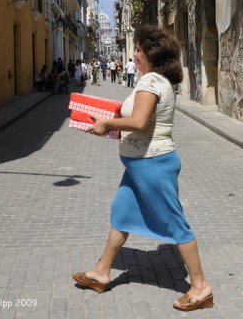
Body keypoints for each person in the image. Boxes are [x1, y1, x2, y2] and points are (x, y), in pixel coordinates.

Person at [72, 25, 213, 312]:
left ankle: (201, 287)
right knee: (121, 215)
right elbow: (140, 120)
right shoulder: (157, 80)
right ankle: (101, 272)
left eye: (138, 49)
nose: (134, 54)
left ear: (151, 53)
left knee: (175, 223)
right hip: (140, 165)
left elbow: (138, 121)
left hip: (153, 164)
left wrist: (106, 124)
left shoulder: (150, 82)